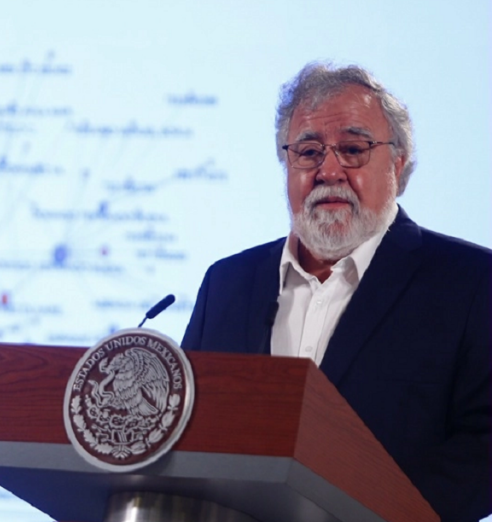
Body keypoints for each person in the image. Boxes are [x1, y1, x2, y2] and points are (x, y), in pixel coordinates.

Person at [181, 62, 490, 522]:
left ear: (398, 164)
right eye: (308, 152)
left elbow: (485, 443)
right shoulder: (228, 283)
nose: (328, 170)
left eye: (353, 149)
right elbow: (187, 430)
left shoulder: (472, 282)